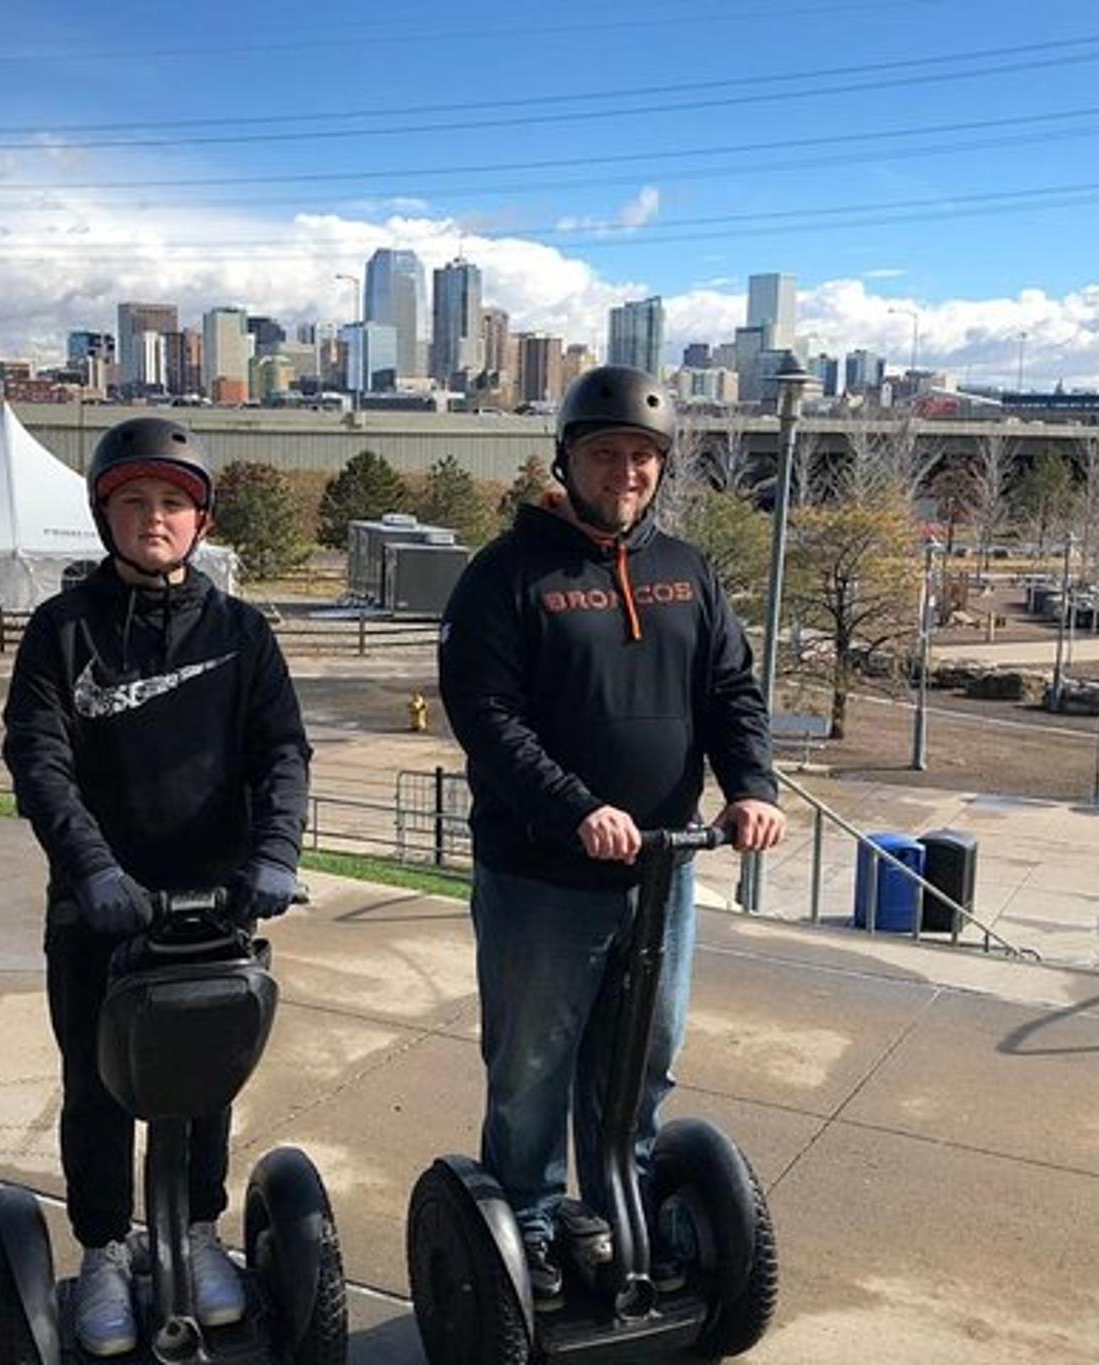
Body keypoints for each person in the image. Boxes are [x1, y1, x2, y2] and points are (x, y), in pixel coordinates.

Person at [437, 364, 787, 1308]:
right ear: (568, 459)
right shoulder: (508, 576)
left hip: (664, 874)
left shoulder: (688, 572)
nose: (625, 471)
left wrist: (749, 784)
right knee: (533, 1065)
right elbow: (490, 717)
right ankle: (532, 1222)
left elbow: (729, 693)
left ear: (661, 468)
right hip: (544, 874)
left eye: (642, 455)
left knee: (646, 1056)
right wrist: (573, 807)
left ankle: (623, 1204)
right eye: (606, 453)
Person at [3, 417, 311, 1357]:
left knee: (203, 1081)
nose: (154, 518)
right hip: (99, 911)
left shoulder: (239, 631)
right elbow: (39, 760)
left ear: (199, 518)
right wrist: (93, 869)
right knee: (98, 1089)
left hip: (216, 906)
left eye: (172, 502)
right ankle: (102, 1248)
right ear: (105, 514)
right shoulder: (65, 630)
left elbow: (282, 751)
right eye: (134, 501)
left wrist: (275, 854)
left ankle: (195, 1229)